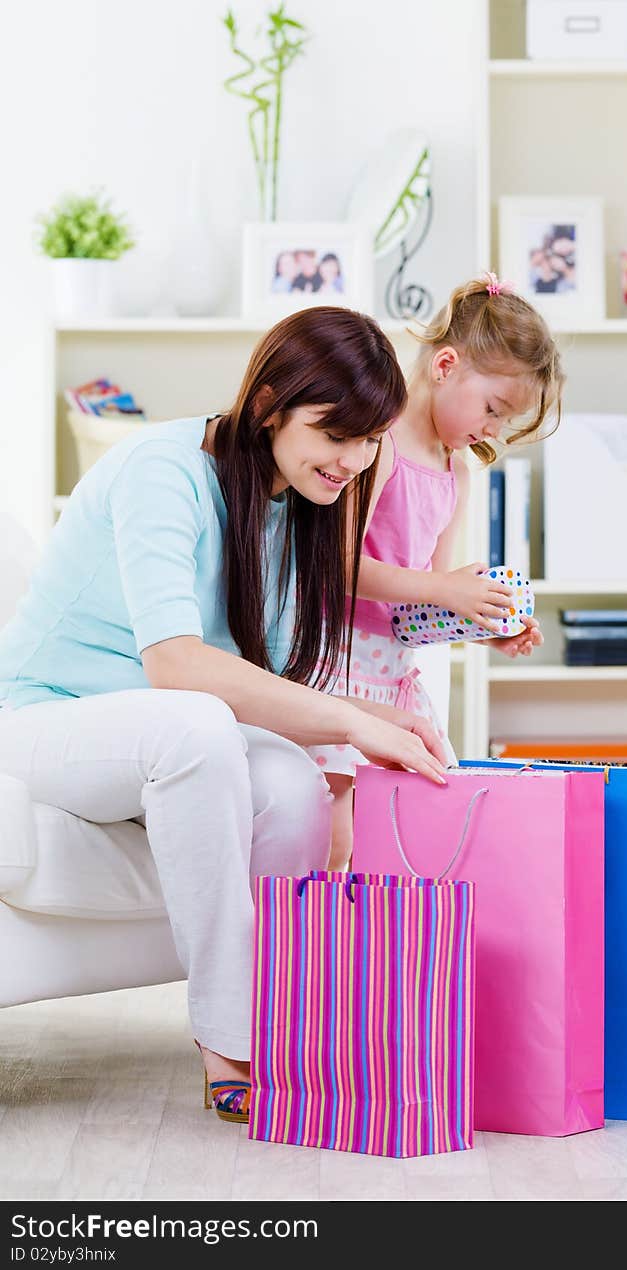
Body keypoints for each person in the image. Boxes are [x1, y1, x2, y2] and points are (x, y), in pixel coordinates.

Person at [0, 307, 448, 1124]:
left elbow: (262, 680)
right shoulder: (160, 470)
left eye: (370, 438)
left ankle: (279, 1026)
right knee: (201, 724)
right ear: (272, 402)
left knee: (287, 779)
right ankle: (226, 1038)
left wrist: (379, 718)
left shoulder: (294, 510)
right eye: (333, 431)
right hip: (45, 721)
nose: (352, 459)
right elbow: (176, 666)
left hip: (156, 739)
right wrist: (353, 724)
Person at [309, 273, 564, 866]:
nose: (492, 432)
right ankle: (326, 947)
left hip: (393, 671)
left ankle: (388, 946)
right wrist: (445, 588)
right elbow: (337, 568)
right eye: (493, 410)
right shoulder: (380, 444)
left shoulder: (458, 473)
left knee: (412, 825)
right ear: (445, 366)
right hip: (337, 661)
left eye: (505, 423)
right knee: (337, 831)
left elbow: (419, 613)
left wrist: (479, 623)